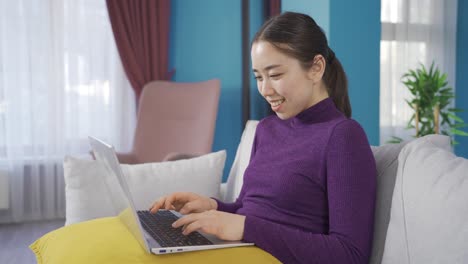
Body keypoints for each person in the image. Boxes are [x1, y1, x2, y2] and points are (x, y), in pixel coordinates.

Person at [150, 12, 376, 264]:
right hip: (238, 251)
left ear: (316, 68)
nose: (265, 90)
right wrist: (212, 207)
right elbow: (250, 209)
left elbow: (350, 254)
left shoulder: (343, 136)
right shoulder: (267, 129)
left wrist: (246, 228)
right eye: (259, 77)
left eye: (275, 75)